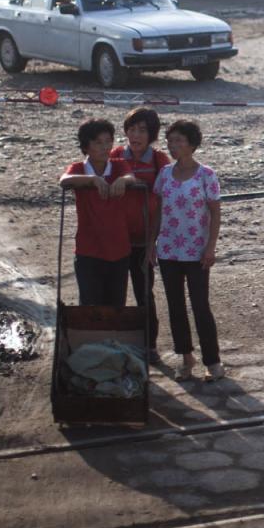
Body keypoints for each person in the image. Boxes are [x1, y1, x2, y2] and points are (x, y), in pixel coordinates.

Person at [148, 119, 223, 382]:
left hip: (196, 251)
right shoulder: (165, 174)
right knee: (175, 305)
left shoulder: (206, 175)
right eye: (170, 141)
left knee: (200, 305)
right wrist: (151, 244)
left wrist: (210, 247)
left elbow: (215, 213)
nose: (173, 145)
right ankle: (186, 357)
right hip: (168, 250)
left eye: (178, 140)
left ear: (192, 144)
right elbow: (158, 212)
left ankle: (213, 362)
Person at [110, 107, 171, 358]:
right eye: (132, 129)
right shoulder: (115, 156)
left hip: (143, 241)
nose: (136, 135)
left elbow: (164, 203)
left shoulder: (159, 160)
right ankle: (114, 344)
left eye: (142, 130)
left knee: (144, 293)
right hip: (116, 240)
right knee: (115, 294)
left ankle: (149, 345)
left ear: (152, 134)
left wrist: (152, 243)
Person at [60, 119, 137, 306]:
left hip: (119, 249)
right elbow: (64, 180)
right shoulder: (79, 169)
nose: (105, 147)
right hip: (89, 250)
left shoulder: (118, 165)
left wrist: (123, 181)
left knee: (116, 305)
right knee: (90, 305)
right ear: (86, 146)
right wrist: (93, 179)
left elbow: (131, 177)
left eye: (108, 141)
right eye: (98, 142)